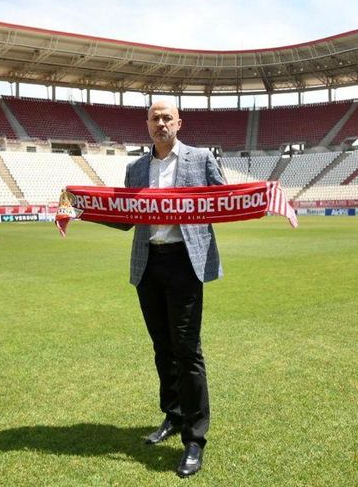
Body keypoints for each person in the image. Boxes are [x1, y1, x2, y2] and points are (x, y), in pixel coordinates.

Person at [104, 100, 225, 478]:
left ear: (179, 123)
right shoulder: (136, 168)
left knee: (187, 350)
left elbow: (223, 202)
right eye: (154, 118)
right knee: (162, 347)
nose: (161, 123)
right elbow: (126, 219)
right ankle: (172, 416)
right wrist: (82, 208)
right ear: (147, 125)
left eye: (166, 118)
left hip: (185, 262)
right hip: (149, 263)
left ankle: (195, 439)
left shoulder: (201, 158)